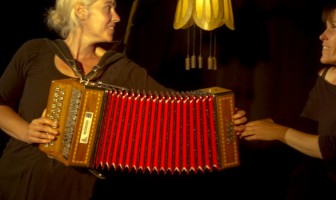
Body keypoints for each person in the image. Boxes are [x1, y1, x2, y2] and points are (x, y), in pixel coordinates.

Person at [0, 0, 247, 199]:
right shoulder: (35, 52)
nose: (116, 16)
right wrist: (26, 131)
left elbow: (177, 106)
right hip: (21, 180)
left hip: (81, 190)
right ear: (80, 11)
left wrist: (221, 117)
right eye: (108, 7)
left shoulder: (120, 68)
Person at [238, 0, 336, 199]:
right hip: (317, 184)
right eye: (325, 27)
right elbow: (309, 124)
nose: (322, 36)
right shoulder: (325, 75)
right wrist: (259, 125)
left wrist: (277, 132)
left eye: (334, 28)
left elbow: (333, 148)